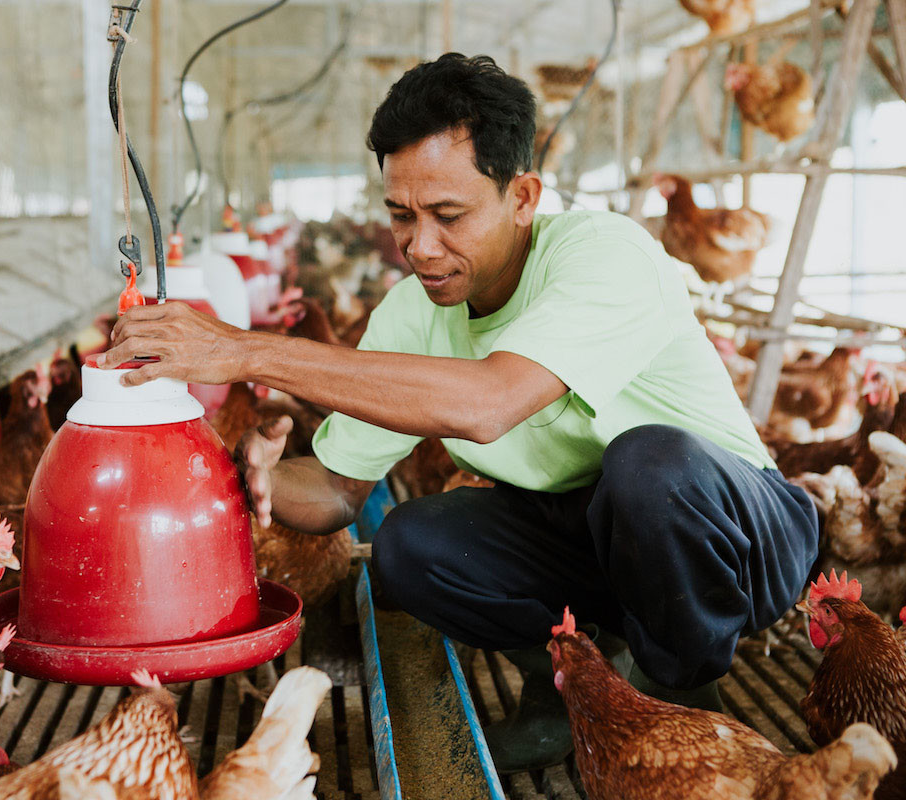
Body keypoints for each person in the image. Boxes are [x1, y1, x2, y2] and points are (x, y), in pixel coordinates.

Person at [100, 53, 818, 774]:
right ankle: (559, 692)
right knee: (412, 545)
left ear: (524, 196)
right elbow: (336, 491)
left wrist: (246, 352)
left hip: (732, 535)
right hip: (597, 537)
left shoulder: (605, 255)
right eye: (401, 216)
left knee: (648, 465)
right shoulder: (412, 312)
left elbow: (489, 403)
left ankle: (692, 699)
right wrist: (235, 478)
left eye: (449, 215)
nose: (420, 246)